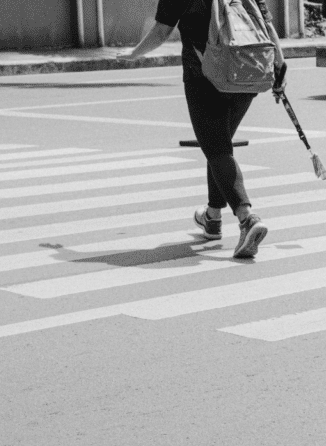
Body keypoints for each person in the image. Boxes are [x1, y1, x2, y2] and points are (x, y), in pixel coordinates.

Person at [117, 0, 285, 258]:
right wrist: (279, 69)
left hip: (205, 77)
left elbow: (161, 31)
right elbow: (267, 25)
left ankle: (247, 218)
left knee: (217, 149)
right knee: (219, 145)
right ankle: (213, 217)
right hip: (249, 71)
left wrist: (134, 53)